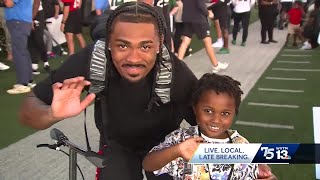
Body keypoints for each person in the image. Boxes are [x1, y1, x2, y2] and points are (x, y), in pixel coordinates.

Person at [19, 2, 276, 180]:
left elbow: (213, 119)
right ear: (109, 43)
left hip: (165, 147)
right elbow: (29, 109)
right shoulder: (90, 60)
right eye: (122, 45)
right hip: (117, 145)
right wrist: (53, 114)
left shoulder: (175, 72)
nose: (133, 58)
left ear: (159, 45)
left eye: (145, 46)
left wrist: (250, 161)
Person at [143, 73, 258, 179]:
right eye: (208, 111)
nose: (216, 120)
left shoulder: (241, 145)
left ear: (234, 113)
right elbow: (148, 164)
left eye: (225, 113)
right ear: (195, 108)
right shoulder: (181, 138)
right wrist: (177, 150)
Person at [177, 0, 229, 72]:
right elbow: (201, 5)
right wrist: (208, 13)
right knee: (208, 42)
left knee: (185, 42)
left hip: (187, 19)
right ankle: (216, 65)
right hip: (198, 19)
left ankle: (178, 66)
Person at [4, 0, 35, 94]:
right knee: (22, 51)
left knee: (19, 52)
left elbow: (9, 3)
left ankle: (23, 83)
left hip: (18, 21)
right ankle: (28, 81)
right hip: (20, 21)